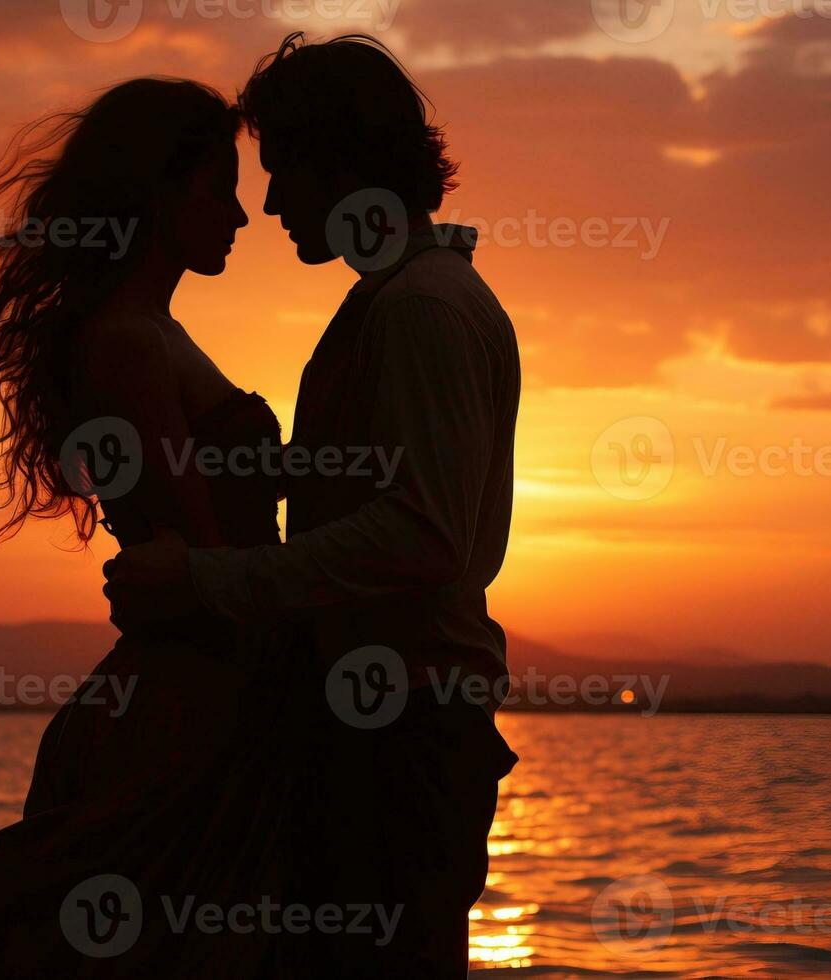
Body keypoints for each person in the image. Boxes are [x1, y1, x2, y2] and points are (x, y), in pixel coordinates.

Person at [105, 33, 521, 976]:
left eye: (286, 171)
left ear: (345, 168)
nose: (275, 203)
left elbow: (418, 535)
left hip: (400, 737)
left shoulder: (419, 310)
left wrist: (202, 580)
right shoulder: (393, 303)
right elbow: (368, 488)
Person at [0, 77, 312, 976]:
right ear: (159, 195)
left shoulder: (148, 329)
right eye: (220, 189)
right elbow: (202, 546)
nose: (242, 218)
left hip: (200, 680)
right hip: (190, 697)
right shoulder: (128, 340)